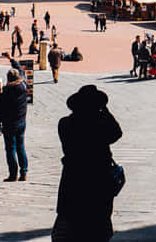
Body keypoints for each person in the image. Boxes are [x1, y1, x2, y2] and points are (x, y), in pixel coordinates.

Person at [52, 85, 122, 242]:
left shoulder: (65, 123)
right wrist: (105, 111)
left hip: (73, 178)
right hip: (99, 178)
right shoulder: (100, 125)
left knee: (70, 220)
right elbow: (117, 133)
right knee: (99, 223)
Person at [0, 68, 28, 182]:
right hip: (21, 121)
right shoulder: (23, 85)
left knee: (11, 149)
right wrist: (12, 61)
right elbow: (20, 70)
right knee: (21, 146)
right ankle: (24, 172)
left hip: (9, 123)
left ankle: (13, 174)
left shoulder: (6, 91)